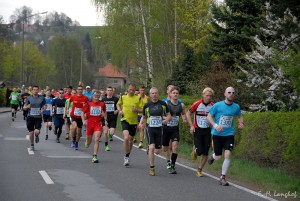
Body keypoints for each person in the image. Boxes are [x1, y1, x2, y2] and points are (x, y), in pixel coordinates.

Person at [207, 87, 244, 186]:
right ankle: (214, 156)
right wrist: (215, 125)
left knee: (228, 154)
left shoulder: (236, 107)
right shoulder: (218, 105)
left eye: (233, 92)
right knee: (218, 157)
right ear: (225, 94)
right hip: (217, 134)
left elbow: (239, 116)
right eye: (229, 92)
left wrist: (241, 123)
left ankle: (222, 177)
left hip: (229, 134)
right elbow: (209, 116)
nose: (231, 94)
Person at [139, 87, 171, 176]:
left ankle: (150, 148)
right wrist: (141, 123)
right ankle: (152, 167)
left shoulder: (163, 104)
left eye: (156, 93)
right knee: (152, 147)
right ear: (150, 95)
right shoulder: (147, 105)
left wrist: (166, 120)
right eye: (152, 93)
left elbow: (169, 115)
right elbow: (144, 117)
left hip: (160, 128)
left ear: (158, 94)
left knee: (157, 151)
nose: (154, 95)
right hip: (150, 128)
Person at [186, 87, 214, 177]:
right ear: (203, 95)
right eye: (207, 95)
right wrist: (191, 126)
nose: (208, 97)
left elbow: (216, 116)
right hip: (197, 129)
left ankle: (199, 169)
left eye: (210, 96)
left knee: (205, 152)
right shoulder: (197, 104)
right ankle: (195, 150)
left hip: (207, 130)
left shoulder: (213, 106)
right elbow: (188, 113)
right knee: (199, 152)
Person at [117, 83, 143, 167]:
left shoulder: (138, 98)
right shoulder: (123, 97)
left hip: (134, 122)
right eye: (130, 89)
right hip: (125, 119)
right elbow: (118, 104)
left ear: (135, 90)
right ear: (128, 89)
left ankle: (127, 156)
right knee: (126, 137)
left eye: (133, 90)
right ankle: (126, 156)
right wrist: (120, 110)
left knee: (131, 140)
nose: (131, 91)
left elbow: (143, 109)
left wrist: (137, 110)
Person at [162, 86, 187, 174]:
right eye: (174, 93)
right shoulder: (166, 104)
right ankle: (168, 161)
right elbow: (160, 115)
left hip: (175, 129)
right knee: (165, 148)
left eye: (177, 93)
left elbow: (183, 113)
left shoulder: (181, 105)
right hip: (166, 128)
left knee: (175, 146)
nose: (175, 94)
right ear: (170, 94)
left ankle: (172, 165)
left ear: (178, 95)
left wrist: (184, 119)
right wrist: (166, 119)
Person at [81, 91, 107, 163]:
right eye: (95, 97)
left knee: (96, 139)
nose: (96, 98)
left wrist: (105, 119)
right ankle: (87, 141)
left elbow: (105, 111)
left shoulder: (102, 104)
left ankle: (95, 156)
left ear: (99, 97)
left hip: (98, 123)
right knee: (89, 141)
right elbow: (82, 112)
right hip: (90, 123)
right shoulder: (89, 104)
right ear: (92, 97)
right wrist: (83, 121)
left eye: (97, 97)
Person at [23, 86, 46, 151]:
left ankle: (37, 135)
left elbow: (45, 105)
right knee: (31, 132)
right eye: (34, 90)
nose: (35, 91)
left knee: (36, 131)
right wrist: (27, 106)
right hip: (30, 117)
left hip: (38, 117)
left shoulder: (42, 98)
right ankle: (32, 145)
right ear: (32, 90)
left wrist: (43, 110)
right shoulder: (29, 98)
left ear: (38, 90)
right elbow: (24, 107)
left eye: (36, 90)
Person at [66, 85, 89, 150]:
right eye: (78, 89)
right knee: (74, 127)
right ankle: (73, 140)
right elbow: (69, 101)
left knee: (79, 132)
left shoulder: (85, 98)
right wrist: (67, 109)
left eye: (81, 89)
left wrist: (86, 113)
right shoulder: (73, 96)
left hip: (81, 117)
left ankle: (76, 143)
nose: (80, 90)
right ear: (77, 90)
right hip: (74, 115)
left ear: (82, 90)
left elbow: (88, 106)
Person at [102, 86, 119, 151]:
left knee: (111, 133)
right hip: (105, 117)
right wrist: (102, 113)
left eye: (110, 90)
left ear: (112, 91)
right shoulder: (103, 99)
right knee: (105, 132)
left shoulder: (116, 99)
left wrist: (117, 110)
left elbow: (119, 107)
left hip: (113, 117)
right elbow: (101, 108)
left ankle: (110, 134)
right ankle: (106, 146)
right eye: (108, 90)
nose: (109, 92)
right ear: (106, 91)